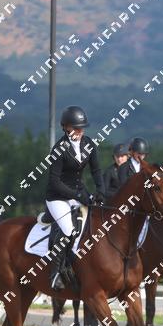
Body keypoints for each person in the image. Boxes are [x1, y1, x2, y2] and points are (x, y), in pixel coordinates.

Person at [45, 106, 105, 290]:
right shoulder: (59, 149)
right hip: (57, 197)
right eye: (76, 128)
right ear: (65, 127)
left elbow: (96, 170)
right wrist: (77, 195)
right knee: (68, 230)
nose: (80, 132)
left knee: (94, 224)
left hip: (78, 193)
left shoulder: (88, 144)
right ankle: (56, 273)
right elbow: (54, 182)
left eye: (81, 128)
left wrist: (100, 190)